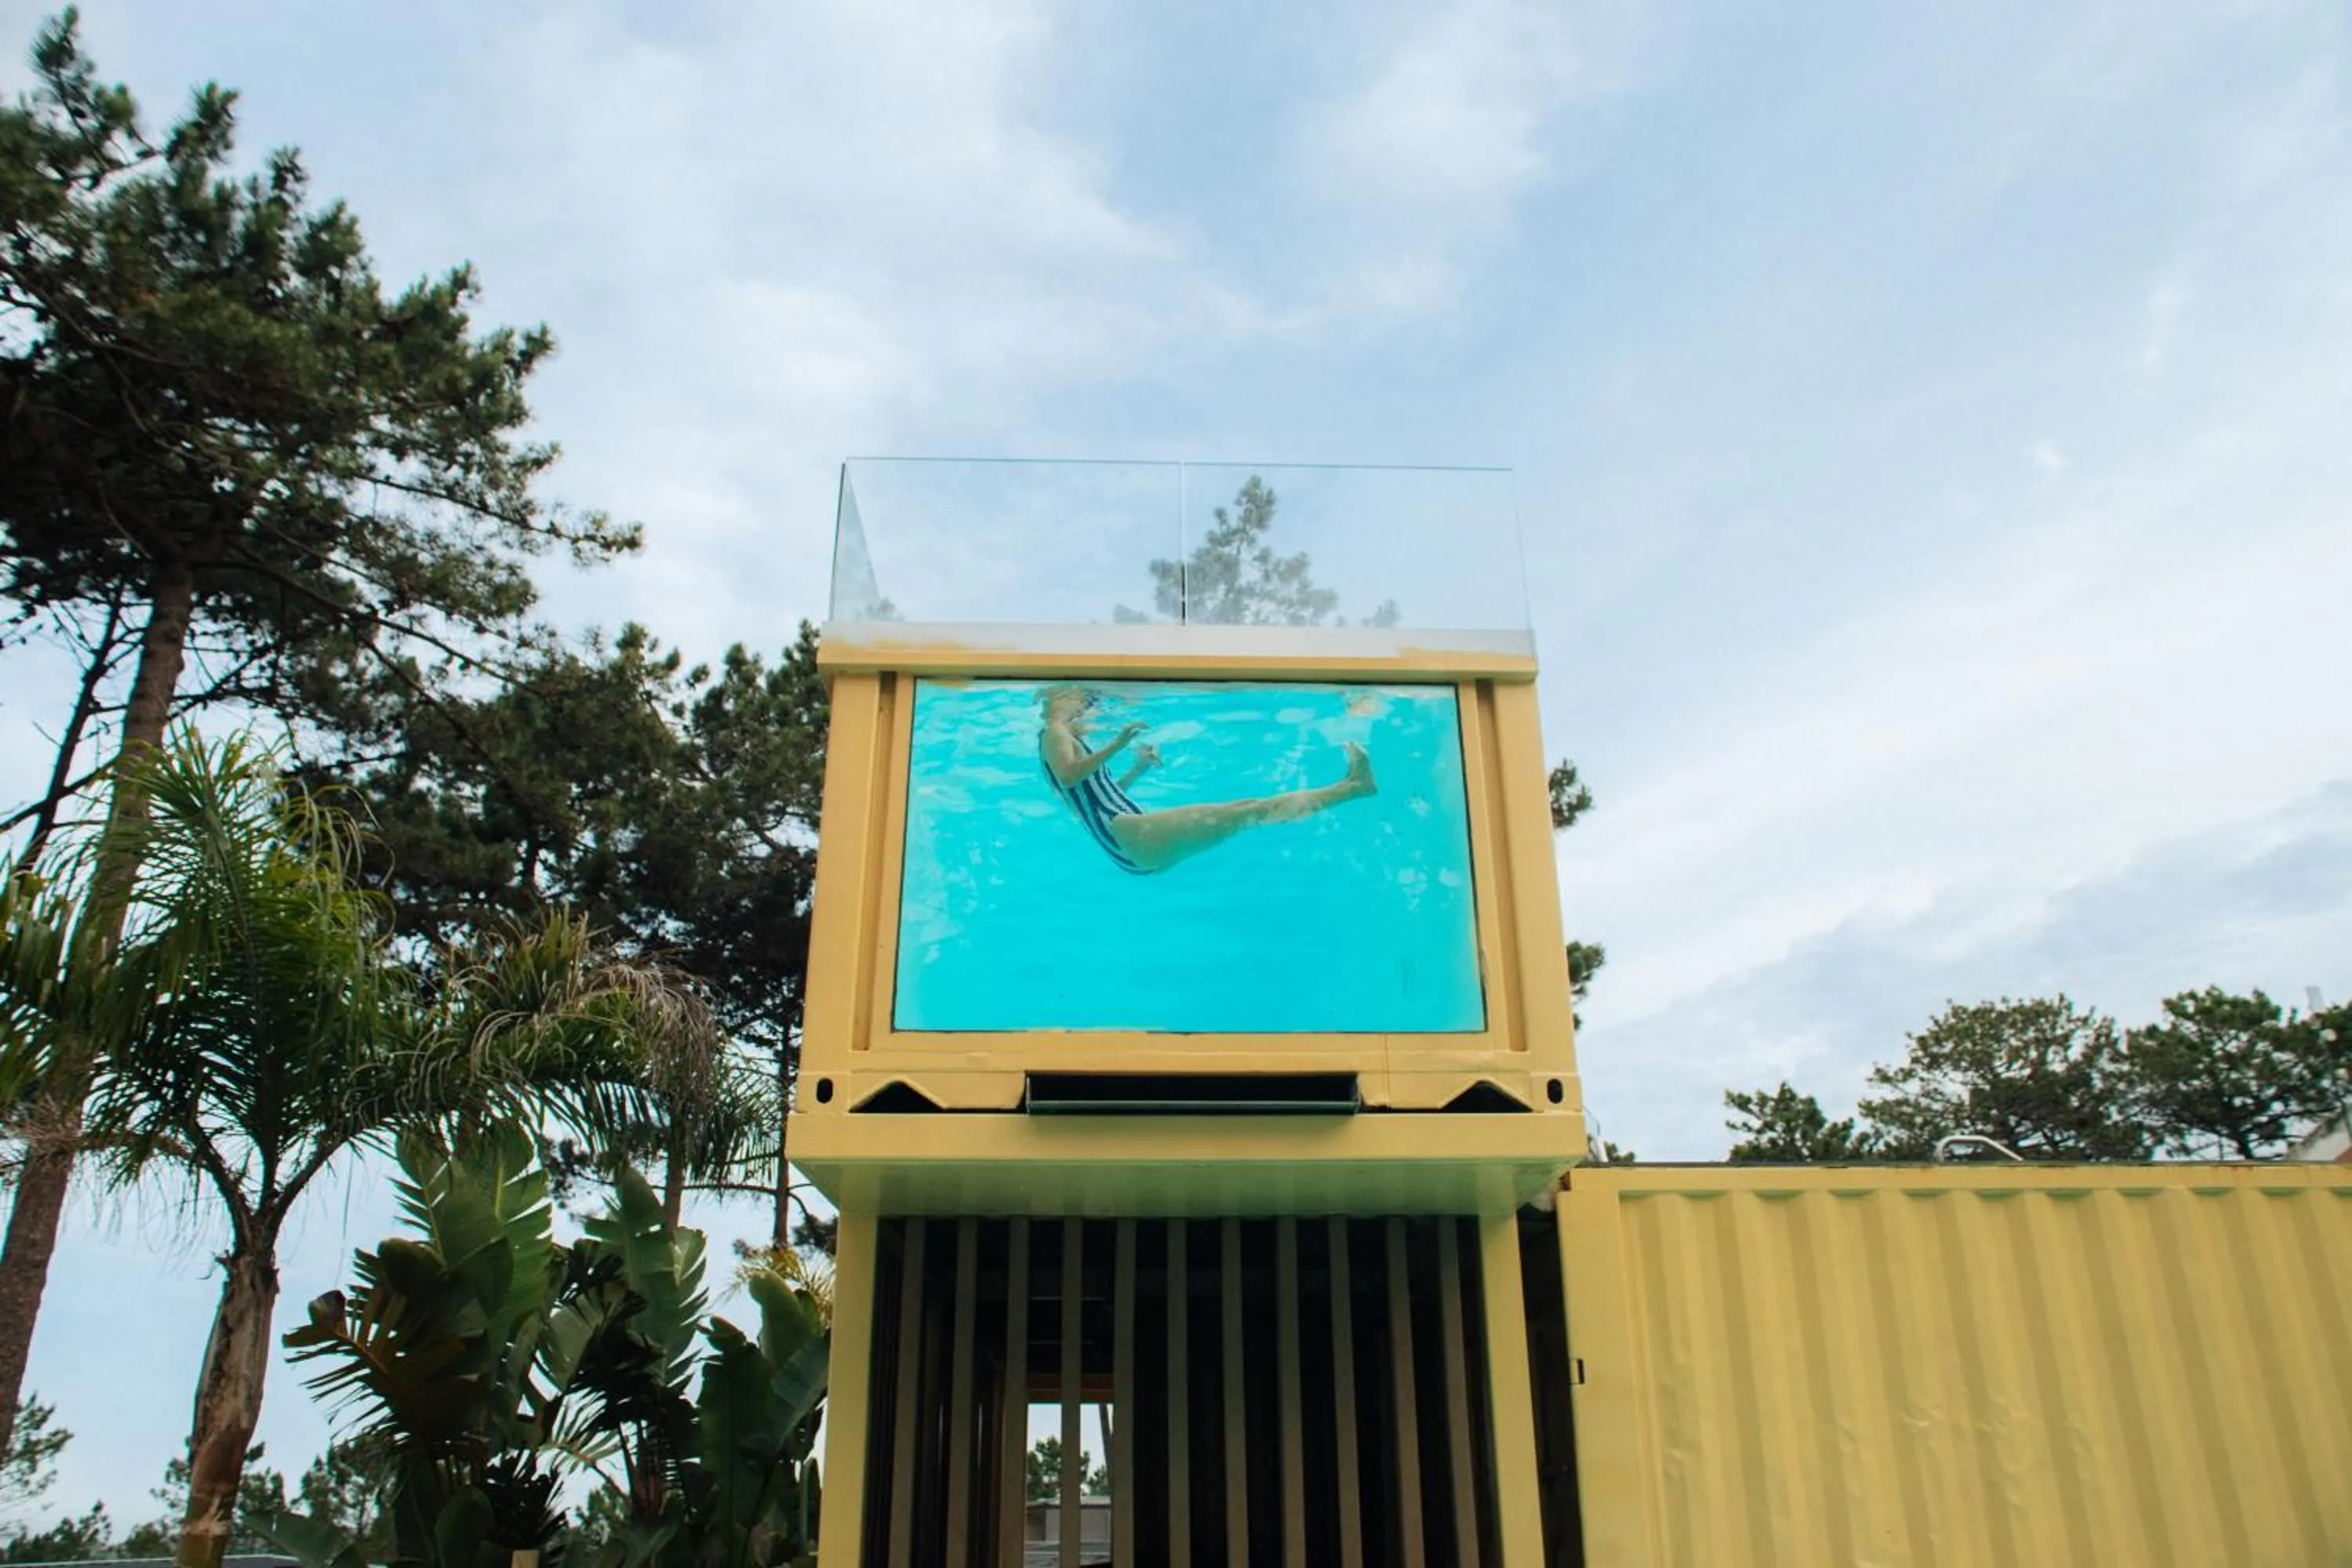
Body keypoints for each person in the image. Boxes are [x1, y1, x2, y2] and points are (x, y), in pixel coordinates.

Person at [1039, 684, 1375, 873]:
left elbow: (1097, 794)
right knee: (1249, 811)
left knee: (1246, 811)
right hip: (1129, 835)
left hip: (1130, 844)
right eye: (1086, 700)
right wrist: (1119, 742)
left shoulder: (1066, 737)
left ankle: (1351, 786)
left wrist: (1139, 768)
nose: (1090, 707)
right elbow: (1070, 778)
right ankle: (1354, 787)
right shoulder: (1055, 730)